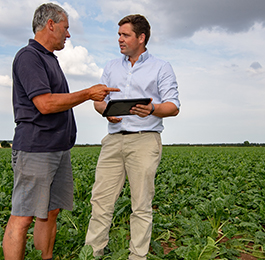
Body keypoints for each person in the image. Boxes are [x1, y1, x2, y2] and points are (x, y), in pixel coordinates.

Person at [2, 3, 119, 260]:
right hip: (36, 149)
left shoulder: (49, 59)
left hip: (57, 149)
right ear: (50, 24)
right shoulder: (28, 56)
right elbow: (44, 104)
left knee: (51, 212)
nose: (68, 35)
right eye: (66, 28)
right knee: (22, 217)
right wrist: (88, 93)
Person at [85, 14, 180, 259]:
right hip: (113, 140)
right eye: (119, 35)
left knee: (141, 205)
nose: (120, 39)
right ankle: (92, 253)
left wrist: (151, 109)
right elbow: (99, 101)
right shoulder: (111, 66)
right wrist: (106, 112)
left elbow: (173, 106)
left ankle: (137, 256)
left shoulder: (161, 67)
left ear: (141, 37)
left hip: (144, 140)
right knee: (100, 201)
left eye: (125, 35)